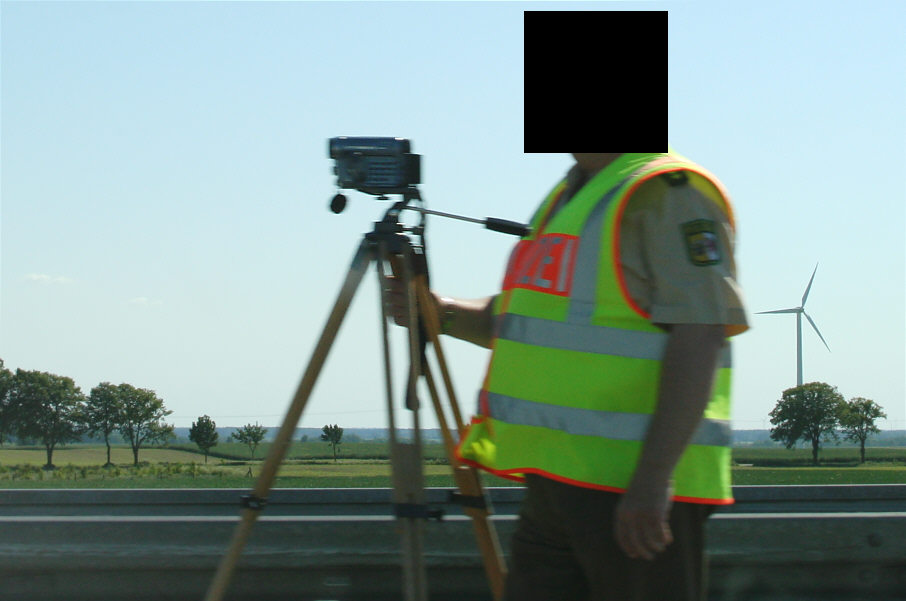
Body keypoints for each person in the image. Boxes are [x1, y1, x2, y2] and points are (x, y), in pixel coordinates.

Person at [386, 151, 749, 601]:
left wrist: (653, 480)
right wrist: (444, 314)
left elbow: (701, 334)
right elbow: (528, 321)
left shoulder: (669, 192)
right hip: (556, 483)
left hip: (630, 485)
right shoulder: (571, 195)